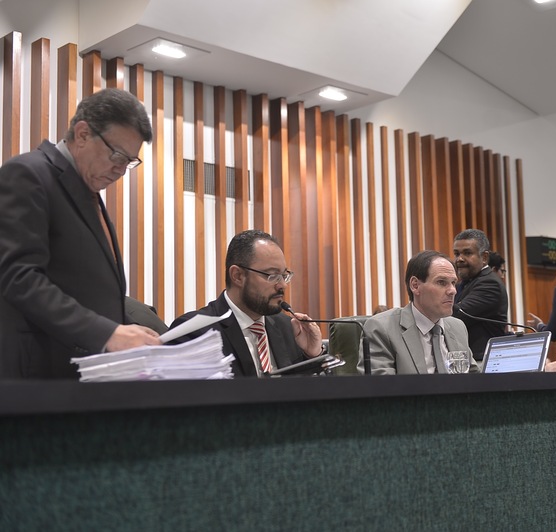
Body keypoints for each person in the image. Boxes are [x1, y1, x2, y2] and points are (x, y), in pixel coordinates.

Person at [0, 88, 162, 379]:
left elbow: (84, 289)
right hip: (40, 374)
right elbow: (19, 277)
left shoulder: (87, 191)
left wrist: (127, 328)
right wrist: (106, 333)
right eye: (116, 155)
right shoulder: (28, 174)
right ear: (83, 133)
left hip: (83, 374)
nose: (120, 171)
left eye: (129, 161)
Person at [365, 250, 556, 375]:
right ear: (415, 285)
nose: (452, 290)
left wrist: (542, 369)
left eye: (453, 283)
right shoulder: (382, 328)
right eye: (441, 282)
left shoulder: (456, 327)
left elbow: (476, 378)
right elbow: (381, 394)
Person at [168, 230, 322, 377]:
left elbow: (305, 391)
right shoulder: (192, 333)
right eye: (272, 275)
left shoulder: (289, 328)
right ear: (238, 276)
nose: (282, 285)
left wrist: (313, 355)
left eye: (284, 275)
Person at [452, 229, 509, 361]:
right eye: (456, 254)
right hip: (466, 361)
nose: (459, 259)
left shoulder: (490, 284)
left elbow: (455, 316)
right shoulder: (463, 283)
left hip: (484, 362)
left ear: (484, 257)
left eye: (467, 253)